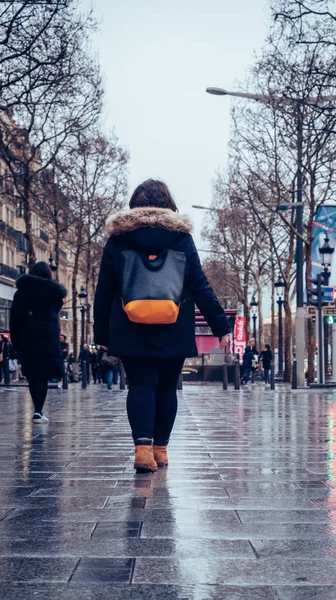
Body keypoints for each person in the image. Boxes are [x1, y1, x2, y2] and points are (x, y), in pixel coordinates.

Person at [94, 179, 230, 473]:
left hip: (129, 324)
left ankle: (143, 450)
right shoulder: (181, 239)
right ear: (168, 204)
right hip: (174, 323)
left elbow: (103, 290)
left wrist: (101, 335)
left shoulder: (118, 240)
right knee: (167, 388)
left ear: (134, 205)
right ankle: (162, 450)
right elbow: (200, 285)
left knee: (140, 384)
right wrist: (221, 326)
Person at [10, 261, 67, 423]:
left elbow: (15, 318)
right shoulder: (54, 294)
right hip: (48, 338)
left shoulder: (22, 292)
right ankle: (38, 411)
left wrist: (15, 340)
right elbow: (56, 311)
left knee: (32, 374)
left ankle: (37, 410)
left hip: (28, 337)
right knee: (43, 376)